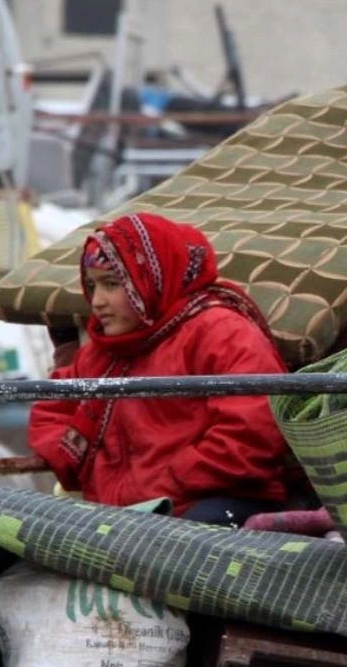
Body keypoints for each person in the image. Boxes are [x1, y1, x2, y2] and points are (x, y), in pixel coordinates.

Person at [28, 212, 289, 526]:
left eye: (111, 284)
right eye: (92, 286)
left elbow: (251, 435)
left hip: (213, 502)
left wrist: (165, 480)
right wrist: (84, 467)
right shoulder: (105, 352)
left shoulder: (221, 332)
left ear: (150, 279)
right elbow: (52, 408)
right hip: (130, 513)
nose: (96, 301)